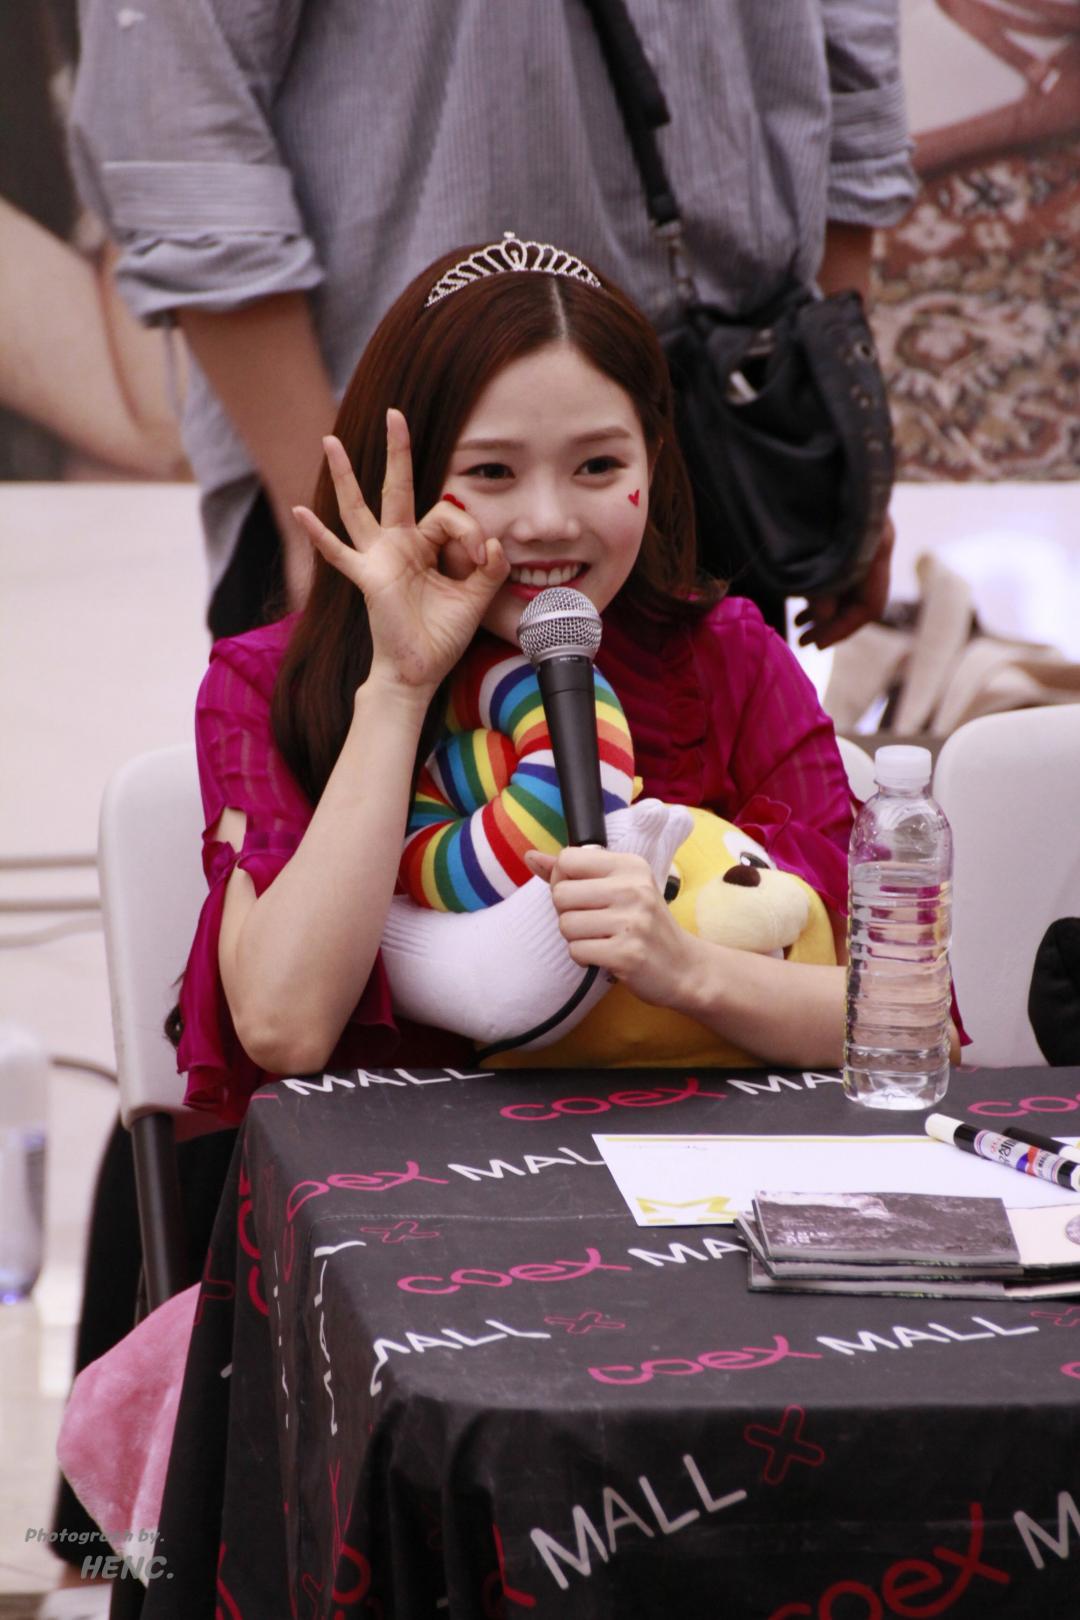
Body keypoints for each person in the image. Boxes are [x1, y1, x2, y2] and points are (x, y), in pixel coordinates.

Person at [174, 233, 903, 1132]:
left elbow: (904, 1015)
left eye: (599, 466)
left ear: (653, 460)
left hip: (695, 1183)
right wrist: (399, 687)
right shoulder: (262, 682)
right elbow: (285, 1026)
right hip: (397, 1192)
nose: (549, 520)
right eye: (492, 473)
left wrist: (687, 969)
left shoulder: (730, 656)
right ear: (406, 478)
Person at [69, 0, 915, 646]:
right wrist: (331, 516)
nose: (546, 521)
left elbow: (851, 57)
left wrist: (837, 428)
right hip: (380, 461)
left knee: (715, 821)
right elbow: (177, 117)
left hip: (723, 437)